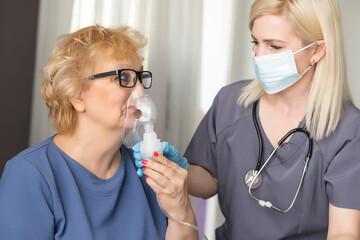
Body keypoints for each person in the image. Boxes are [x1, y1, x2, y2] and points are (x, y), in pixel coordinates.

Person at [0, 25, 197, 240]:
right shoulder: (31, 176)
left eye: (140, 77)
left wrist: (181, 209)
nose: (140, 91)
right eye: (124, 77)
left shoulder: (148, 175)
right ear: (76, 94)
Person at [183, 0, 360, 239]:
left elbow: (345, 232)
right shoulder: (230, 103)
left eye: (274, 46)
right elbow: (208, 182)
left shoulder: (348, 129)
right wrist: (176, 171)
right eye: (255, 42)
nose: (259, 56)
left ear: (317, 51)